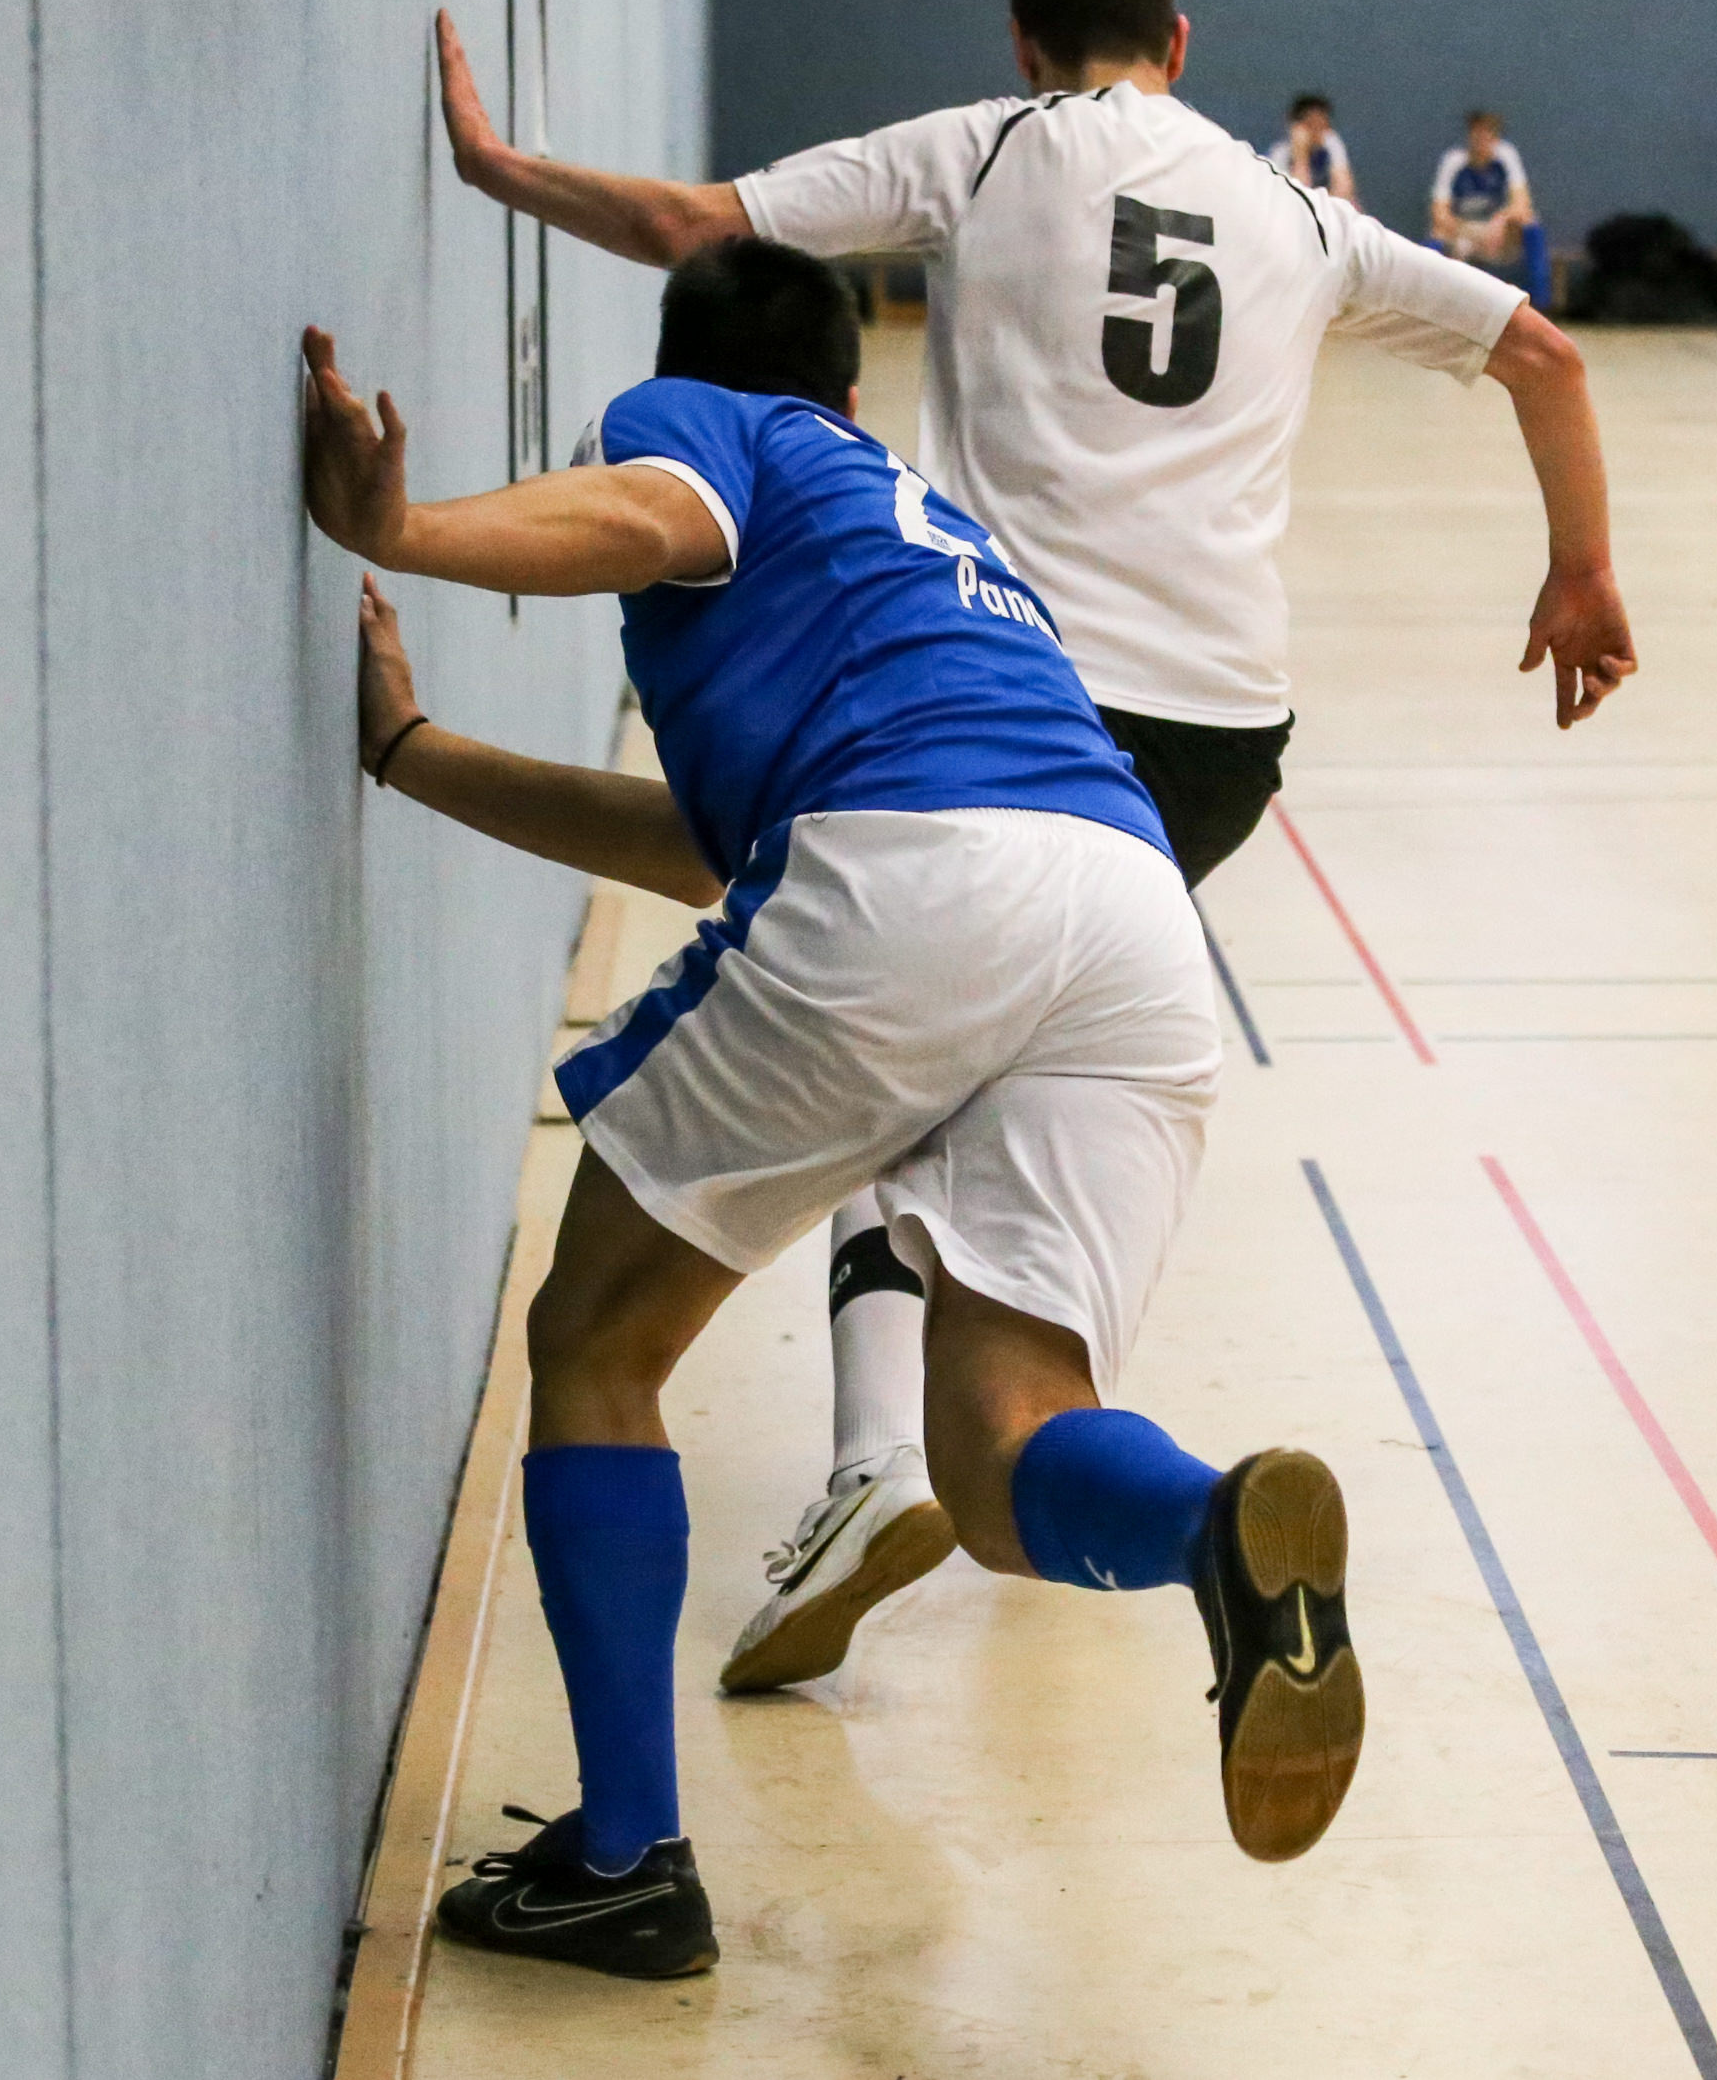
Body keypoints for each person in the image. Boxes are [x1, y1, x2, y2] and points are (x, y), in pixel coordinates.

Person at [431, 0, 1636, 1699]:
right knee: (971, 1065)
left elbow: (696, 227)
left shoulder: (990, 148)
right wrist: (1582, 571)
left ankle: (872, 1464)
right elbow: (1547, 352)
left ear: (1022, 39)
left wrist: (497, 168)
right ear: (1181, 40)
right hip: (1213, 746)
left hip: (1002, 687)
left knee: (891, 1040)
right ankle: (1080, 1480)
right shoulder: (1297, 210)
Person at [298, 247, 1367, 1978]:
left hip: (920, 869)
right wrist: (414, 752)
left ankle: (626, 1859)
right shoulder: (930, 539)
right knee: (1003, 1464)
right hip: (1130, 916)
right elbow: (704, 847)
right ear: (859, 392)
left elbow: (649, 518)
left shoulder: (717, 426)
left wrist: (405, 531)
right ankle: (1210, 1531)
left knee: (597, 1343)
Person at [1429, 109, 1551, 309]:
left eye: (1488, 134)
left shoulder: (1505, 156)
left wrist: (1499, 221)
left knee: (1529, 222)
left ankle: (1540, 301)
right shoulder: (1455, 161)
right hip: (1465, 229)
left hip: (1499, 232)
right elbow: (1439, 212)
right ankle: (1427, 298)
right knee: (1437, 233)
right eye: (1477, 133)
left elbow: (1522, 203)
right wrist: (1465, 233)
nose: (1482, 140)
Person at [1274, 93, 1358, 204]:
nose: (1317, 132)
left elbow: (1344, 191)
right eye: (1311, 125)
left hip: (1324, 206)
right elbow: (1298, 196)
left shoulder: (1331, 144)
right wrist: (1301, 154)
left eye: (1322, 125)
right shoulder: (1281, 154)